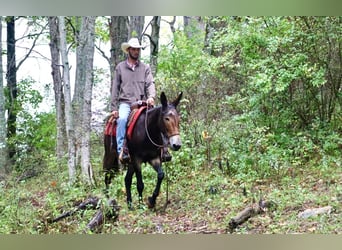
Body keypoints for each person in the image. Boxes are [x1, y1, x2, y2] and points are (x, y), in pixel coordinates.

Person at [111, 37, 171, 164]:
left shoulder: (145, 67)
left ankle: (163, 150)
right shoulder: (120, 68)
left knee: (160, 117)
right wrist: (113, 108)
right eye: (133, 49)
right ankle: (122, 150)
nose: (136, 52)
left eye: (138, 49)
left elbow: (150, 83)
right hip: (126, 103)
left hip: (142, 103)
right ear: (128, 50)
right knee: (121, 120)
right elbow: (115, 88)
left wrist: (151, 97)